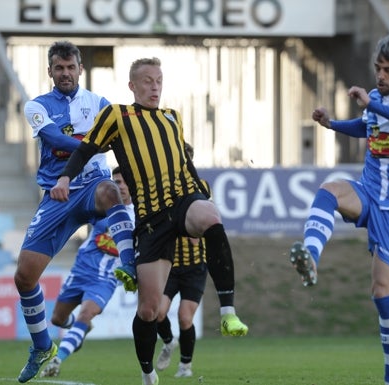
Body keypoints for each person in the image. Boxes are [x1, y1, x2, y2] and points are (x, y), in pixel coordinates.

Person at [51, 57, 248, 385]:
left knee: (211, 217)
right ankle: (147, 371)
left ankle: (228, 312)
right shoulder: (117, 115)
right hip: (151, 219)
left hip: (182, 201)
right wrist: (65, 179)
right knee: (149, 311)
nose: (155, 86)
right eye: (147, 80)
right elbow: (85, 151)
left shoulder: (173, 117)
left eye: (158, 80)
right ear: (132, 85)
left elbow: (185, 163)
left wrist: (200, 190)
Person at [290, 31, 389, 385]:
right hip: (369, 190)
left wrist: (371, 103)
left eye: (388, 71)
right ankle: (310, 258)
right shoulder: (377, 100)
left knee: (383, 292)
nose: (380, 76)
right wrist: (331, 123)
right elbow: (366, 127)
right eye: (378, 69)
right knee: (329, 191)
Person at [14, 41, 136, 383]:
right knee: (24, 277)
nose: (65, 73)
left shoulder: (99, 104)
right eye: (59, 68)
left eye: (70, 67)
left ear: (80, 69)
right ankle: (42, 346)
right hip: (58, 194)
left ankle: (128, 265)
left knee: (112, 191)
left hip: (91, 186)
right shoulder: (37, 105)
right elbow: (55, 138)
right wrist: (96, 143)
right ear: (50, 71)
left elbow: (124, 142)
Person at [40, 167, 134, 378]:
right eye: (116, 182)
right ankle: (81, 328)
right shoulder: (103, 206)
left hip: (106, 278)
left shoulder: (139, 216)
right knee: (57, 318)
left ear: (132, 186)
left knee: (85, 313)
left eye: (122, 183)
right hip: (81, 270)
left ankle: (58, 359)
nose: (118, 187)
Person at [155, 142, 208, 379]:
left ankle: (185, 366)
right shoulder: (163, 189)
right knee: (157, 312)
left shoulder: (201, 187)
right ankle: (168, 342)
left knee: (185, 316)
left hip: (195, 267)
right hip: (170, 265)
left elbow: (205, 219)